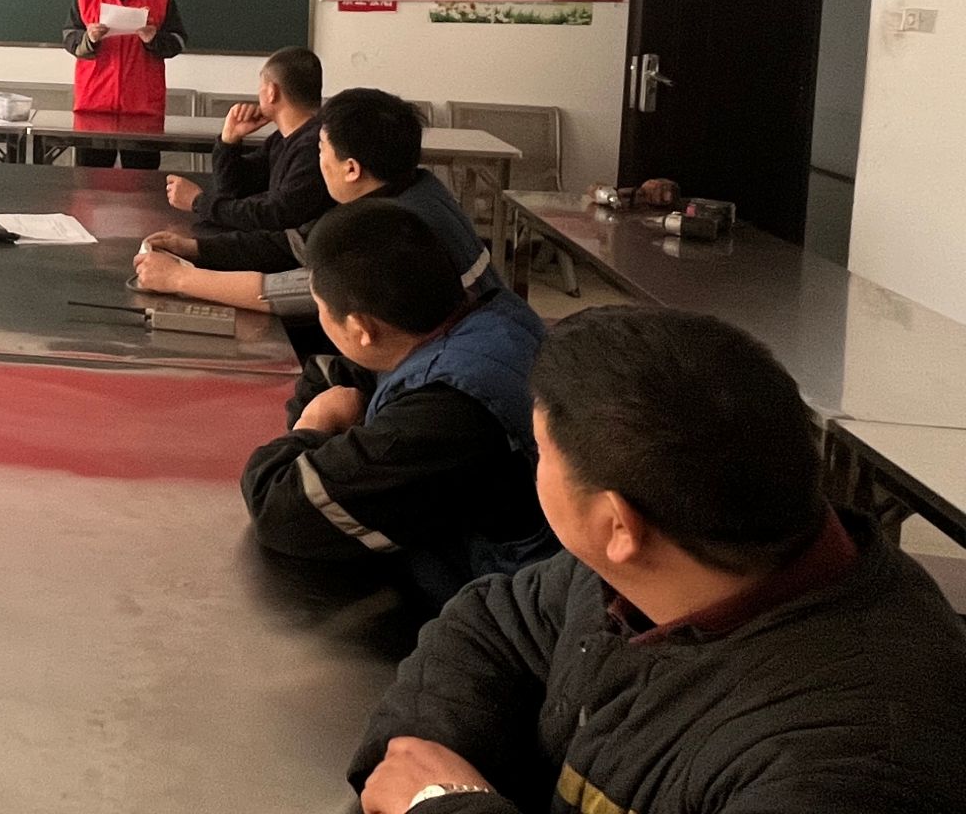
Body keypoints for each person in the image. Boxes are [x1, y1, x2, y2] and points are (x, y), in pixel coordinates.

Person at [350, 307, 966, 814]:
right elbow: (493, 622)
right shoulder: (677, 553)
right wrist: (422, 757)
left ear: (617, 524)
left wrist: (443, 802)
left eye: (540, 452)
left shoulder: (851, 767)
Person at [239, 199, 554, 609]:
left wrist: (313, 425)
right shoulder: (483, 314)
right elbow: (338, 375)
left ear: (362, 328)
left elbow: (281, 510)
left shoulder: (445, 413)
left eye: (321, 309)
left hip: (494, 606)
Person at [137, 88, 494, 317]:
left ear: (351, 168)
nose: (318, 160)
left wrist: (181, 279)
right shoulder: (409, 186)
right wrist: (196, 249)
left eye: (321, 149)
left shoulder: (391, 228)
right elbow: (294, 243)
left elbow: (297, 292)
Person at [162, 46, 332, 252]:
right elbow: (234, 190)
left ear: (272, 92)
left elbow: (276, 214)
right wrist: (229, 141)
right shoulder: (282, 139)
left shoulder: (315, 146)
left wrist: (200, 203)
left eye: (261, 86)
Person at [63, 0, 188, 169]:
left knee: (143, 184)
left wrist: (153, 39)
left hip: (143, 110)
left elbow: (178, 41)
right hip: (93, 108)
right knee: (90, 184)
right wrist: (89, 38)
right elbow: (69, 38)